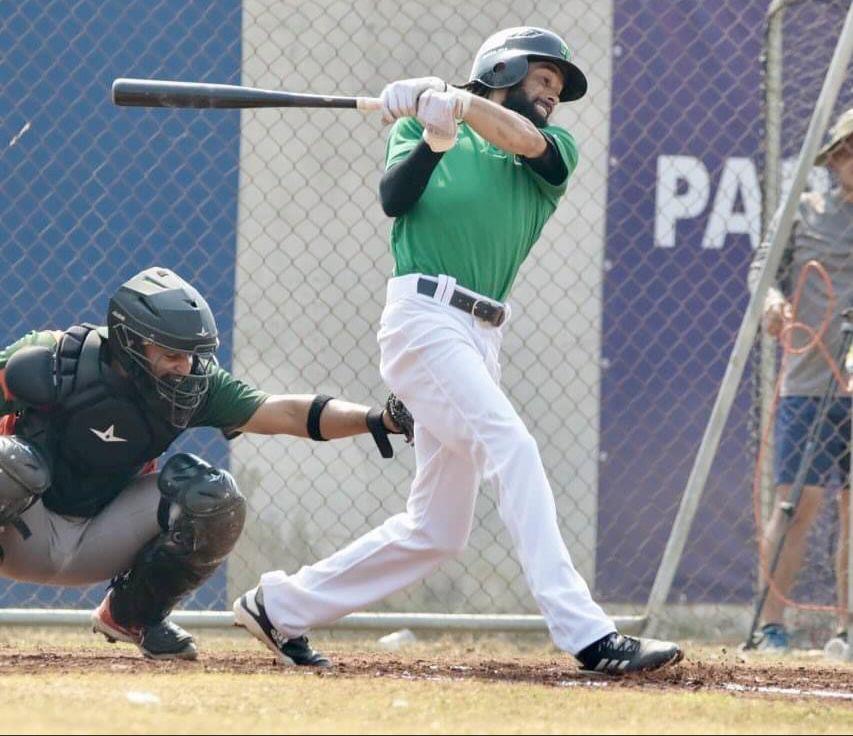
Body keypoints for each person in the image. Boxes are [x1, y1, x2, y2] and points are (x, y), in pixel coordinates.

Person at [233, 27, 683, 674]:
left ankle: (279, 607)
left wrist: (456, 103)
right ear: (501, 67)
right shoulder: (426, 124)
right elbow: (396, 199)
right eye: (542, 80)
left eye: (557, 88)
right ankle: (586, 634)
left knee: (438, 531)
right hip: (423, 319)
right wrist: (435, 137)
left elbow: (528, 142)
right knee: (513, 450)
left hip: (481, 334)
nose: (552, 96)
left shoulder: (550, 151)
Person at [0, 266, 409, 661]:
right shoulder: (57, 356)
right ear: (130, 341)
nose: (187, 368)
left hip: (100, 535)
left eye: (193, 356)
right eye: (173, 354)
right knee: (13, 464)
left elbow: (281, 412)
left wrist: (376, 419)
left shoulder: (193, 387)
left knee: (214, 497)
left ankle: (131, 616)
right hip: (19, 531)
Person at [748, 108, 853, 652]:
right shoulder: (805, 212)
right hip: (809, 385)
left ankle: (849, 630)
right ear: (834, 159)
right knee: (796, 503)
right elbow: (763, 273)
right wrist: (773, 305)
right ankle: (770, 627)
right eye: (851, 150)